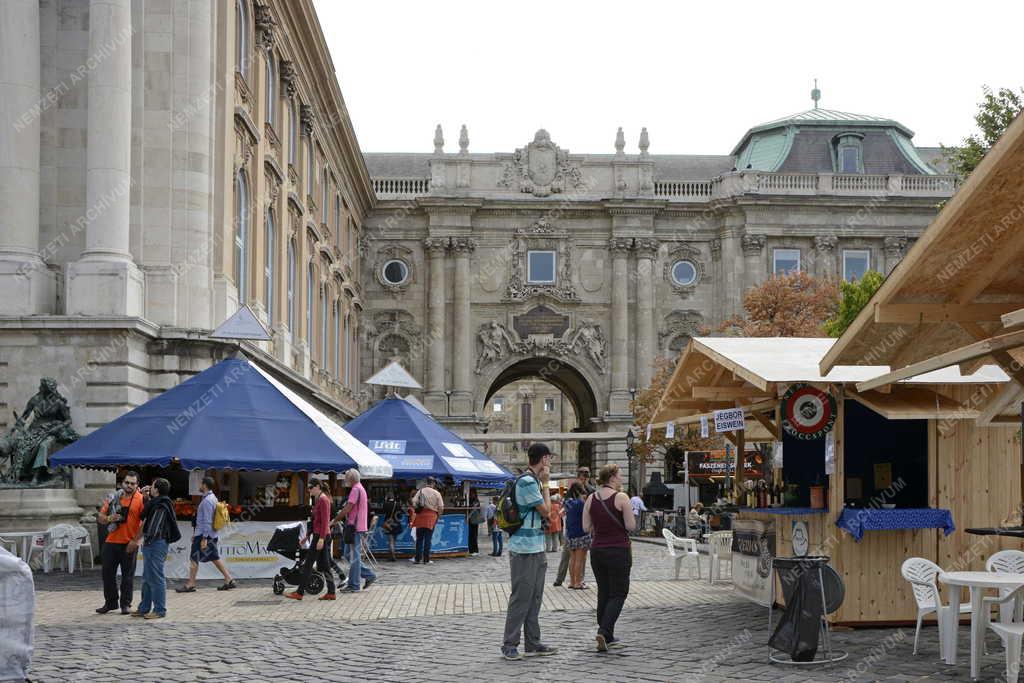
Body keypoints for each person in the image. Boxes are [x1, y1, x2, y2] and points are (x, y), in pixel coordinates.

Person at [501, 443, 558, 661]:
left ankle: (533, 642)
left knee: (534, 598)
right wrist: (545, 484)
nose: (550, 462)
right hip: (524, 549)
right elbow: (547, 512)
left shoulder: (530, 480)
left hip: (536, 546)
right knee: (521, 597)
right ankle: (509, 644)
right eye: (549, 458)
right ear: (543, 459)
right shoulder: (527, 482)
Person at [583, 463, 635, 651]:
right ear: (612, 477)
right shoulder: (621, 497)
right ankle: (604, 631)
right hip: (618, 549)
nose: (621, 478)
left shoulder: (591, 498)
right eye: (619, 475)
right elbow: (630, 526)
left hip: (597, 551)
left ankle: (608, 634)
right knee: (619, 592)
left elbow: (585, 527)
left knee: (603, 592)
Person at [129, 477, 180, 620]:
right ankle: (144, 607)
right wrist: (146, 498)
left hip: (155, 544)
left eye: (152, 486)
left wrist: (145, 540)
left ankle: (159, 610)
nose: (149, 487)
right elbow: (147, 513)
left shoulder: (161, 504)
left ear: (156, 489)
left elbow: (153, 526)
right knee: (147, 577)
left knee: (156, 577)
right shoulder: (156, 503)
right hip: (152, 543)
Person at [176, 476, 236, 593]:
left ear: (204, 485)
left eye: (200, 484)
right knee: (213, 557)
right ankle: (229, 579)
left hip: (205, 535)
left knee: (194, 558)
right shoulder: (211, 498)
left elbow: (207, 521)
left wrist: (204, 538)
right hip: (208, 534)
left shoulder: (208, 500)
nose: (199, 486)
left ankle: (191, 584)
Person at [96, 471, 144, 614]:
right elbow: (100, 517)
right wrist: (111, 518)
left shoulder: (141, 499)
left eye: (132, 483)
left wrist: (136, 541)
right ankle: (110, 603)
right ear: (122, 483)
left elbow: (144, 523)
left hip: (129, 543)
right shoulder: (113, 497)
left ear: (137, 485)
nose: (129, 485)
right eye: (127, 482)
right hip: (111, 542)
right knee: (107, 574)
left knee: (127, 576)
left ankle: (126, 604)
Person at [285, 479, 337, 601]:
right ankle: (331, 592)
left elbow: (325, 522)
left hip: (321, 536)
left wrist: (321, 539)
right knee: (325, 565)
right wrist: (307, 536)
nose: (309, 490)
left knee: (308, 564)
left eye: (310, 488)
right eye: (308, 488)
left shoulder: (323, 500)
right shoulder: (319, 499)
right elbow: (315, 522)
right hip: (320, 535)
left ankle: (300, 592)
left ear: (318, 487)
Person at [333, 469, 376, 593]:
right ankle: (369, 575)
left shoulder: (355, 489)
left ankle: (354, 585)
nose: (345, 480)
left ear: (351, 479)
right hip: (357, 526)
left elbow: (348, 508)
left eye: (346, 478)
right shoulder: (360, 488)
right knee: (348, 554)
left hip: (355, 527)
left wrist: (335, 519)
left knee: (353, 556)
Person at [554, 467, 593, 587]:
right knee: (575, 558)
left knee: (573, 558)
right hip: (580, 530)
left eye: (586, 473)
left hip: (571, 530)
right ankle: (575, 581)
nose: (584, 475)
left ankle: (575, 580)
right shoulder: (581, 497)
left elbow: (564, 509)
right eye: (582, 473)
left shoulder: (589, 489)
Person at [562, 483, 591, 590]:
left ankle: (572, 581)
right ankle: (578, 582)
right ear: (579, 491)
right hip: (581, 533)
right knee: (580, 559)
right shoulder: (580, 503)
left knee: (572, 559)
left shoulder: (567, 502)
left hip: (570, 534)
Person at [411, 478, 443, 564]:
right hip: (432, 516)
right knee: (428, 538)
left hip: (420, 516)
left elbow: (413, 501)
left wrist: (417, 508)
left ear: (426, 483)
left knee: (419, 539)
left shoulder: (421, 491)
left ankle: (417, 559)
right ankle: (426, 559)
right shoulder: (437, 493)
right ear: (433, 484)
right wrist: (438, 516)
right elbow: (441, 507)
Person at [380, 492, 402, 561]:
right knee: (394, 541)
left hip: (388, 524)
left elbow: (383, 512)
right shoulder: (398, 504)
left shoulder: (385, 504)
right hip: (396, 524)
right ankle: (393, 555)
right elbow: (400, 515)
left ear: (387, 497)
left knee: (390, 541)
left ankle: (392, 556)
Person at [467, 490, 483, 557]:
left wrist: (468, 517)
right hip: (471, 520)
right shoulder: (470, 500)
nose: (471, 494)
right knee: (471, 535)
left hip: (474, 520)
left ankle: (475, 550)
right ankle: (471, 550)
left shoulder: (476, 500)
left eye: (472, 493)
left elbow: (473, 509)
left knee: (474, 535)